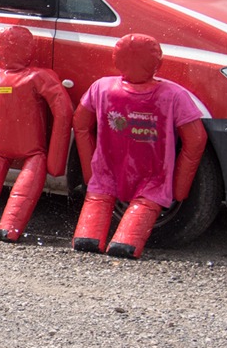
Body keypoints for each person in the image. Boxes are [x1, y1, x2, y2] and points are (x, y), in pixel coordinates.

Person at [72, 33, 207, 259]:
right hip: (154, 172)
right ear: (158, 62)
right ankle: (126, 242)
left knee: (100, 195)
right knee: (146, 202)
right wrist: (179, 187)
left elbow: (81, 125)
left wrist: (89, 171)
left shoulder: (101, 88)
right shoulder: (173, 95)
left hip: (108, 167)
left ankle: (89, 236)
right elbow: (196, 140)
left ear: (116, 58)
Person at [0, 25, 73, 242]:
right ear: (29, 49)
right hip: (34, 151)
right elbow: (64, 112)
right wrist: (55, 160)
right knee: (24, 190)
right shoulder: (41, 77)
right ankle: (9, 228)